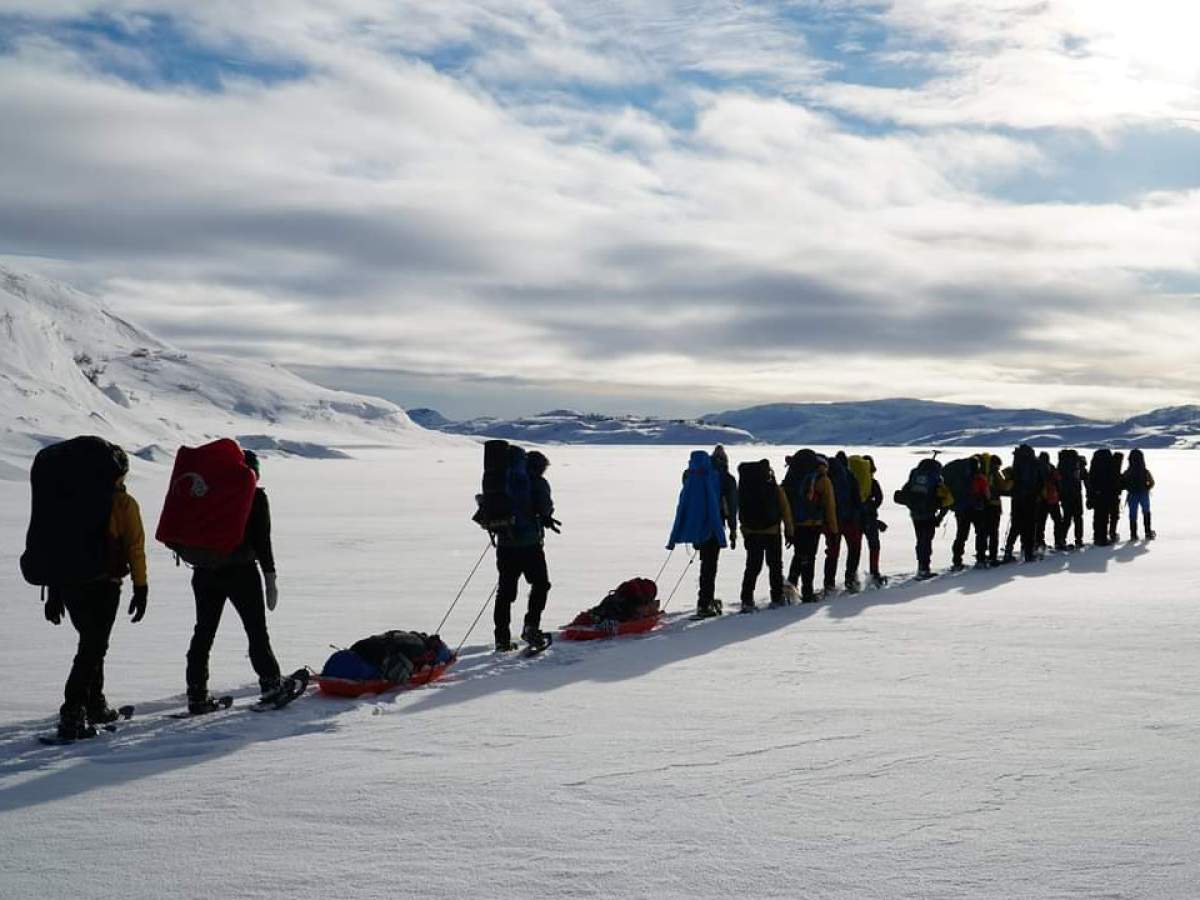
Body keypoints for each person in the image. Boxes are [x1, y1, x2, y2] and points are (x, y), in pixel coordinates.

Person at [44, 445, 148, 740]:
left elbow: (58, 549)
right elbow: (135, 548)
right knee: (93, 647)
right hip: (104, 585)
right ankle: (72, 712)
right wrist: (141, 588)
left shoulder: (69, 501)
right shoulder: (123, 503)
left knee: (92, 643)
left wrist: (54, 593)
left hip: (70, 585)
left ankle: (94, 704)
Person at [185, 449, 285, 711]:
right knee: (256, 631)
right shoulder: (255, 497)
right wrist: (270, 576)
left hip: (204, 571)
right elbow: (263, 541)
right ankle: (271, 684)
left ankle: (196, 694)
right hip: (241, 572)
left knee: (203, 632)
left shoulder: (209, 494)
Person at [493, 448, 557, 650]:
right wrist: (545, 516)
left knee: (505, 592)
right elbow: (544, 507)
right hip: (530, 545)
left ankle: (502, 639)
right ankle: (531, 627)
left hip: (505, 545)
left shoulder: (502, 481)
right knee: (540, 585)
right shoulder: (537, 482)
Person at [668, 448, 736, 618]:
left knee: (706, 564)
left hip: (696, 527)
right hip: (713, 527)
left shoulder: (692, 475)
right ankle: (704, 604)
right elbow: (731, 507)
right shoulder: (724, 479)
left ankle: (706, 599)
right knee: (709, 567)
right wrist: (732, 529)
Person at [737, 460, 794, 610]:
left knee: (752, 566)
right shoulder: (774, 488)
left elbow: (739, 511)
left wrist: (744, 530)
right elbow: (785, 510)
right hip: (772, 532)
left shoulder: (743, 488)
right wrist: (789, 531)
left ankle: (747, 600)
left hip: (751, 533)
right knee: (775, 566)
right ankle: (777, 597)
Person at [782, 449, 838, 602]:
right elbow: (830, 506)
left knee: (799, 553)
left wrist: (788, 527)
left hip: (795, 523)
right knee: (809, 557)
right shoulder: (822, 479)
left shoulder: (793, 475)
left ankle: (791, 583)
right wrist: (833, 530)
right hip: (813, 523)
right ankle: (807, 592)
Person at [894, 456, 953, 578]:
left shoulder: (914, 477)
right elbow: (946, 500)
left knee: (921, 540)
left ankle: (921, 566)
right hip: (929, 514)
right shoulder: (936, 480)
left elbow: (905, 492)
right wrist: (940, 517)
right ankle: (924, 568)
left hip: (915, 514)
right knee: (926, 541)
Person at [825, 452, 863, 592]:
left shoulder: (826, 476)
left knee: (832, 552)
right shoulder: (850, 476)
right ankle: (851, 579)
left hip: (832, 521)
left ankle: (829, 583)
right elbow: (857, 499)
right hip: (850, 520)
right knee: (854, 549)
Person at [1002, 444, 1042, 563]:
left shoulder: (1017, 463)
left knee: (1015, 525)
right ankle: (1028, 553)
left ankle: (1008, 551)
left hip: (1017, 498)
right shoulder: (1035, 464)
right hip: (1030, 498)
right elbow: (1040, 481)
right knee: (1029, 526)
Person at [860, 455, 888, 587]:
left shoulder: (852, 481)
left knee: (854, 548)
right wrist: (872, 508)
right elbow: (879, 498)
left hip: (853, 519)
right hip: (870, 519)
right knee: (874, 546)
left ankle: (851, 575)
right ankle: (874, 572)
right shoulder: (872, 482)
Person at [1123, 449, 1156, 541]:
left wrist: (1128, 487)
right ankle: (1148, 532)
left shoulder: (1128, 472)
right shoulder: (1145, 471)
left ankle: (1133, 535)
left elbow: (1123, 483)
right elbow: (1152, 482)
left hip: (1132, 495)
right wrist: (1147, 488)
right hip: (1143, 493)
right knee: (1146, 512)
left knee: (1133, 514)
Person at [1056, 449, 1086, 549]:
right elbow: (1084, 476)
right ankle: (1079, 540)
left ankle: (1061, 539)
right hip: (1076, 494)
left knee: (1067, 518)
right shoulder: (1077, 463)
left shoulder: (1061, 465)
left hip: (1065, 496)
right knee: (1078, 518)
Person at [1035, 451, 1064, 551]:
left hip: (1041, 499)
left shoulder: (1036, 468)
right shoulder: (1051, 467)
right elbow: (1058, 481)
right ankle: (1058, 541)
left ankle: (1039, 542)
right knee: (1057, 521)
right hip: (1053, 498)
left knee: (1040, 522)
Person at [983, 454, 1009, 566]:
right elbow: (1004, 487)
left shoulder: (982, 472)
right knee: (993, 532)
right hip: (994, 505)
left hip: (982, 506)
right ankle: (993, 557)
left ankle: (981, 555)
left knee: (983, 532)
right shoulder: (995, 473)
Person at [1086, 448, 1116, 546]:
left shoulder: (1095, 463)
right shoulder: (1109, 463)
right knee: (1104, 516)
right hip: (1107, 493)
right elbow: (1112, 478)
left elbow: (1090, 479)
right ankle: (1102, 538)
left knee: (1097, 516)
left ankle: (1096, 536)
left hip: (1096, 493)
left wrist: (1091, 494)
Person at [1108, 451, 1125, 543]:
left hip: (1105, 495)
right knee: (1114, 516)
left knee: (1106, 515)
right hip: (1114, 496)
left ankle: (1102, 534)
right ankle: (1112, 533)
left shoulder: (1107, 468)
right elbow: (1121, 484)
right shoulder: (1117, 469)